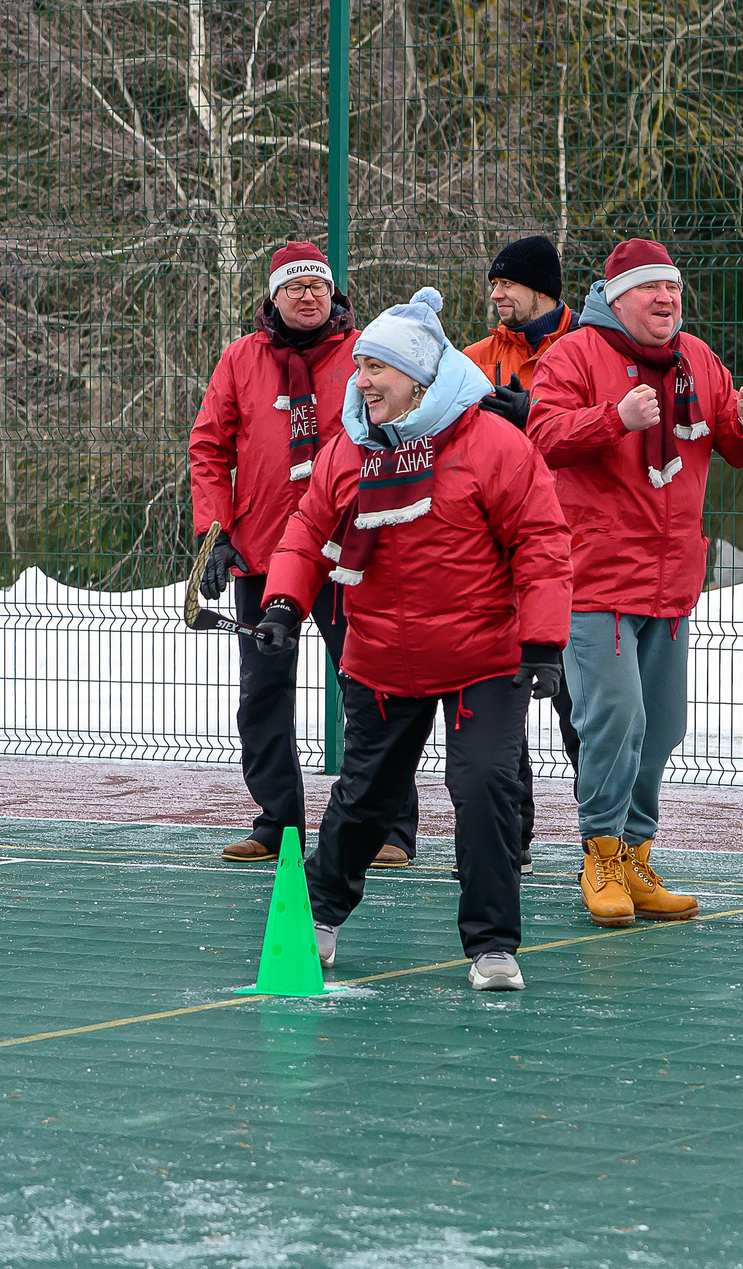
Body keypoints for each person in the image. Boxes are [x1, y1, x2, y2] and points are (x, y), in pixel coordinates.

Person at [261, 287, 571, 992]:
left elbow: (541, 542)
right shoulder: (350, 450)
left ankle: (493, 944)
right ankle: (317, 915)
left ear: (419, 376)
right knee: (367, 796)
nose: (362, 381)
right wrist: (282, 603)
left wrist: (543, 641)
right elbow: (307, 533)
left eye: (376, 368)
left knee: (486, 788)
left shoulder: (493, 444)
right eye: (360, 367)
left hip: (484, 657)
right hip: (382, 656)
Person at [531, 240, 743, 927]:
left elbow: (730, 443)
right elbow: (542, 435)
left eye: (673, 287)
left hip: (670, 583)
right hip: (597, 581)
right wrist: (614, 419)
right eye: (650, 288)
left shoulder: (698, 358)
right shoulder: (574, 354)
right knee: (615, 719)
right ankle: (600, 854)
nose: (666, 299)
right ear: (616, 298)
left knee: (662, 726)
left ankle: (636, 855)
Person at [188, 240, 419, 868]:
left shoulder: (368, 351)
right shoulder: (240, 359)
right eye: (295, 287)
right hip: (263, 550)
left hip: (350, 548)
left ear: (332, 291)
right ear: (274, 297)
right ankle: (277, 821)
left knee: (371, 688)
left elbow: (405, 431)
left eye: (318, 285)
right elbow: (208, 447)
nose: (309, 296)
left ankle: (391, 826)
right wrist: (216, 531)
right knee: (263, 694)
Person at [462, 234, 581, 873]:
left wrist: (533, 414)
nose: (496, 295)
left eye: (506, 283)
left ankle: (605, 843)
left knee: (580, 708)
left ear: (542, 288)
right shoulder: (475, 359)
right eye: (493, 285)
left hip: (571, 553)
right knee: (499, 707)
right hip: (491, 554)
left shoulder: (589, 350)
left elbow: (605, 430)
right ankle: (511, 841)